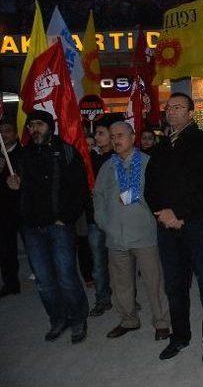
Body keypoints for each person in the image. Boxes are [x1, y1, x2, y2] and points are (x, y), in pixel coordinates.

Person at [145, 93, 203, 362]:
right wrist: (162, 214)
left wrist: (180, 214)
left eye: (178, 107)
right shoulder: (161, 146)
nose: (171, 112)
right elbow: (150, 187)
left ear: (191, 112)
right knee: (175, 286)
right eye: (168, 108)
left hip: (197, 225)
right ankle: (180, 336)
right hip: (166, 228)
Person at [6, 110, 89, 343]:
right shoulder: (22, 156)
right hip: (32, 228)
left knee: (65, 275)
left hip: (59, 225)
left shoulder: (66, 151)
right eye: (31, 125)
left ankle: (78, 318)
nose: (34, 129)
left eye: (39, 124)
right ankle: (58, 318)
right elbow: (15, 191)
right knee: (43, 279)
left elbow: (80, 189)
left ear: (49, 126)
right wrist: (13, 186)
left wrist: (67, 216)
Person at [93, 122, 171, 340]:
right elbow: (98, 196)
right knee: (121, 284)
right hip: (115, 236)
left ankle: (161, 322)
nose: (116, 139)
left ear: (133, 136)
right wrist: (102, 222)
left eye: (120, 135)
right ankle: (128, 319)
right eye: (113, 136)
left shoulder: (148, 163)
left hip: (144, 234)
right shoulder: (108, 166)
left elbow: (160, 194)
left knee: (154, 281)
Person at [85, 118, 114, 317]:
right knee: (98, 262)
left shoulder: (120, 158)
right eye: (96, 134)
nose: (96, 137)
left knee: (122, 261)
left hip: (118, 218)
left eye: (101, 133)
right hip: (96, 217)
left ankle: (127, 298)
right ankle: (102, 298)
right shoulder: (89, 159)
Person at [0, 119, 22, 298]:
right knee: (6, 247)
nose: (3, 135)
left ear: (15, 134)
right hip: (5, 209)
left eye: (7, 131)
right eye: (1, 132)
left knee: (31, 244)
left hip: (22, 207)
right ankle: (11, 282)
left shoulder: (23, 154)